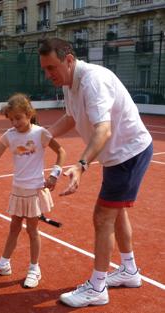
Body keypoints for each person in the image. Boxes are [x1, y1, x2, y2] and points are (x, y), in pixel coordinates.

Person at [39, 38, 153, 307]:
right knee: (116, 212)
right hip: (118, 156)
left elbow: (103, 130)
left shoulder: (93, 81)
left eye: (51, 68)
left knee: (102, 217)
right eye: (44, 69)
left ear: (69, 61)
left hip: (129, 153)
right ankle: (129, 271)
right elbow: (71, 117)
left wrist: (80, 165)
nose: (48, 75)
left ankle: (97, 288)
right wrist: (43, 135)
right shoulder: (70, 83)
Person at [0, 93, 66, 288]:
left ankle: (34, 269)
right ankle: (4, 264)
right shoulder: (9, 136)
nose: (15, 122)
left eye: (18, 118)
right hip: (18, 190)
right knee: (14, 229)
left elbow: (61, 152)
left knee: (33, 231)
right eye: (11, 119)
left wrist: (54, 175)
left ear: (29, 114)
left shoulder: (40, 133)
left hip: (34, 190)